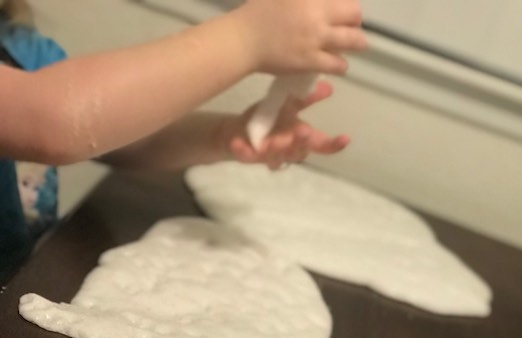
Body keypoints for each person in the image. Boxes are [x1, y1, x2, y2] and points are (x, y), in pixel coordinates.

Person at [0, 0, 367, 281]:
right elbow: (52, 122)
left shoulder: (22, 47)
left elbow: (115, 137)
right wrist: (248, 39)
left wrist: (225, 134)